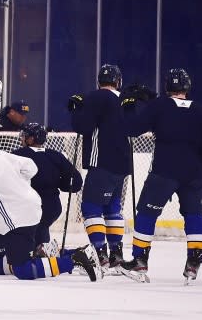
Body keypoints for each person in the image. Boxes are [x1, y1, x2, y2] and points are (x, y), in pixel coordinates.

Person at [0, 124, 100, 281]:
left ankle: (75, 259)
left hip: (19, 217)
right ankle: (53, 253)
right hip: (25, 209)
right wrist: (14, 186)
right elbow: (30, 167)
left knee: (23, 269)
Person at [119, 69, 202, 284]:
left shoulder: (159, 106)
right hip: (194, 174)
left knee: (146, 213)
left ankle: (139, 261)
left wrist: (128, 105)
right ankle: (194, 262)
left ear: (166, 87)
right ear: (187, 87)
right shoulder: (201, 111)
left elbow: (133, 128)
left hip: (164, 171)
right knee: (194, 216)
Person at [68, 63, 132, 273]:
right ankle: (116, 253)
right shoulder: (124, 99)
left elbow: (83, 127)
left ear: (99, 81)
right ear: (118, 81)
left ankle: (99, 253)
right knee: (112, 208)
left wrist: (76, 109)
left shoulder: (95, 97)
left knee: (91, 207)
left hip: (102, 162)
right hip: (122, 165)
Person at [12, 123, 83, 256]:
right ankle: (51, 252)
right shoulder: (55, 155)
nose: (22, 139)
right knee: (40, 231)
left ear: (31, 139)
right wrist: (61, 184)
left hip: (29, 207)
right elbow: (77, 182)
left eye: (24, 137)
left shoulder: (18, 155)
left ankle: (74, 256)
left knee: (28, 245)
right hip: (53, 207)